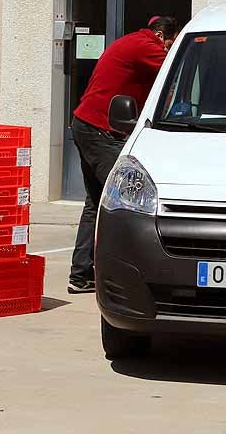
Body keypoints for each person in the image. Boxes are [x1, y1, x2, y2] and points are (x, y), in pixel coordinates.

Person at [68, 15, 180, 294]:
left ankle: (81, 274)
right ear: (161, 36)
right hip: (100, 131)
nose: (167, 48)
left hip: (86, 124)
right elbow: (178, 71)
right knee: (125, 203)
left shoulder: (130, 41)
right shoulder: (147, 46)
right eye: (170, 43)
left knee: (96, 201)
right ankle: (124, 276)